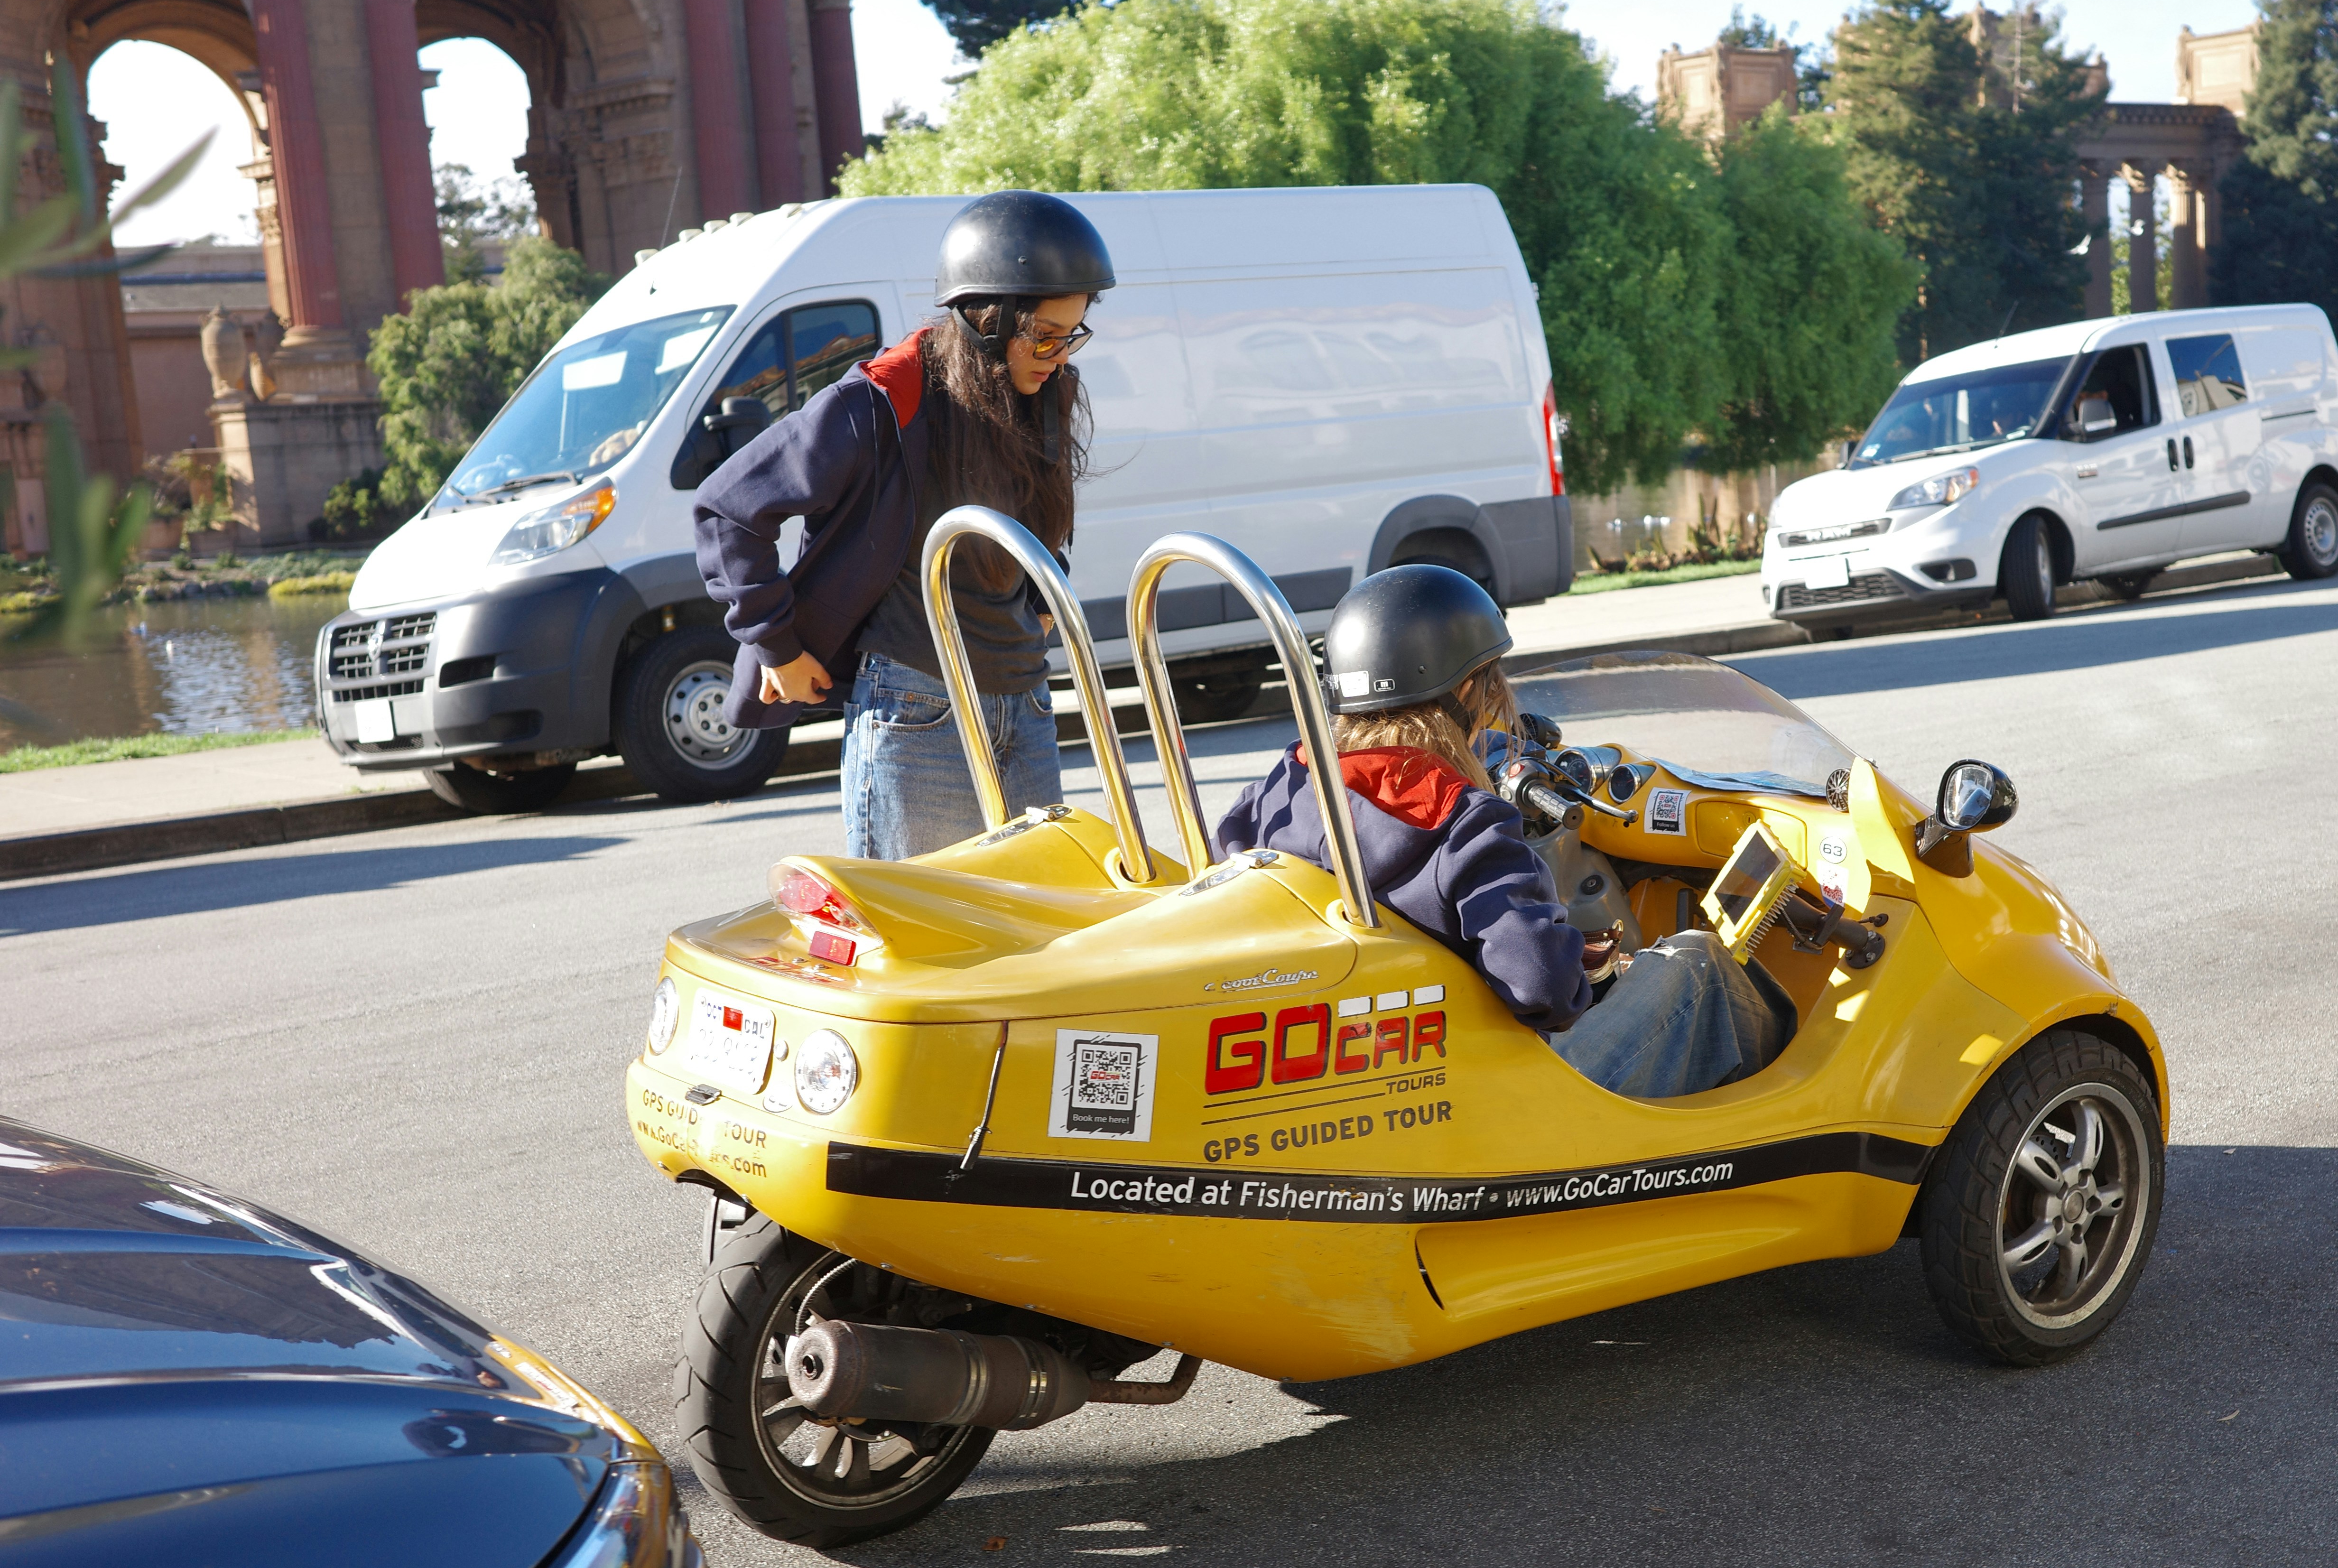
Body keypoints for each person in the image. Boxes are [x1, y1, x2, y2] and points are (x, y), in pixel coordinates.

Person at [1214, 564, 1792, 1100]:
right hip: (1494, 1096)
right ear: (1465, 689)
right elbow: (1542, 989)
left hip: (1371, 1066)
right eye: (1491, 682)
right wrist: (1586, 966)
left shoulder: (1285, 785)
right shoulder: (1462, 820)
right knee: (1700, 966)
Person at [694, 191, 1112, 859]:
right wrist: (777, 643)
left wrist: (1039, 599)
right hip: (918, 708)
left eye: (1073, 334)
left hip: (1026, 702)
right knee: (928, 942)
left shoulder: (1046, 393)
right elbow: (727, 508)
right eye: (1044, 335)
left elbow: (1039, 521)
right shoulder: (874, 404)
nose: (1060, 354)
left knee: (1037, 938)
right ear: (984, 318)